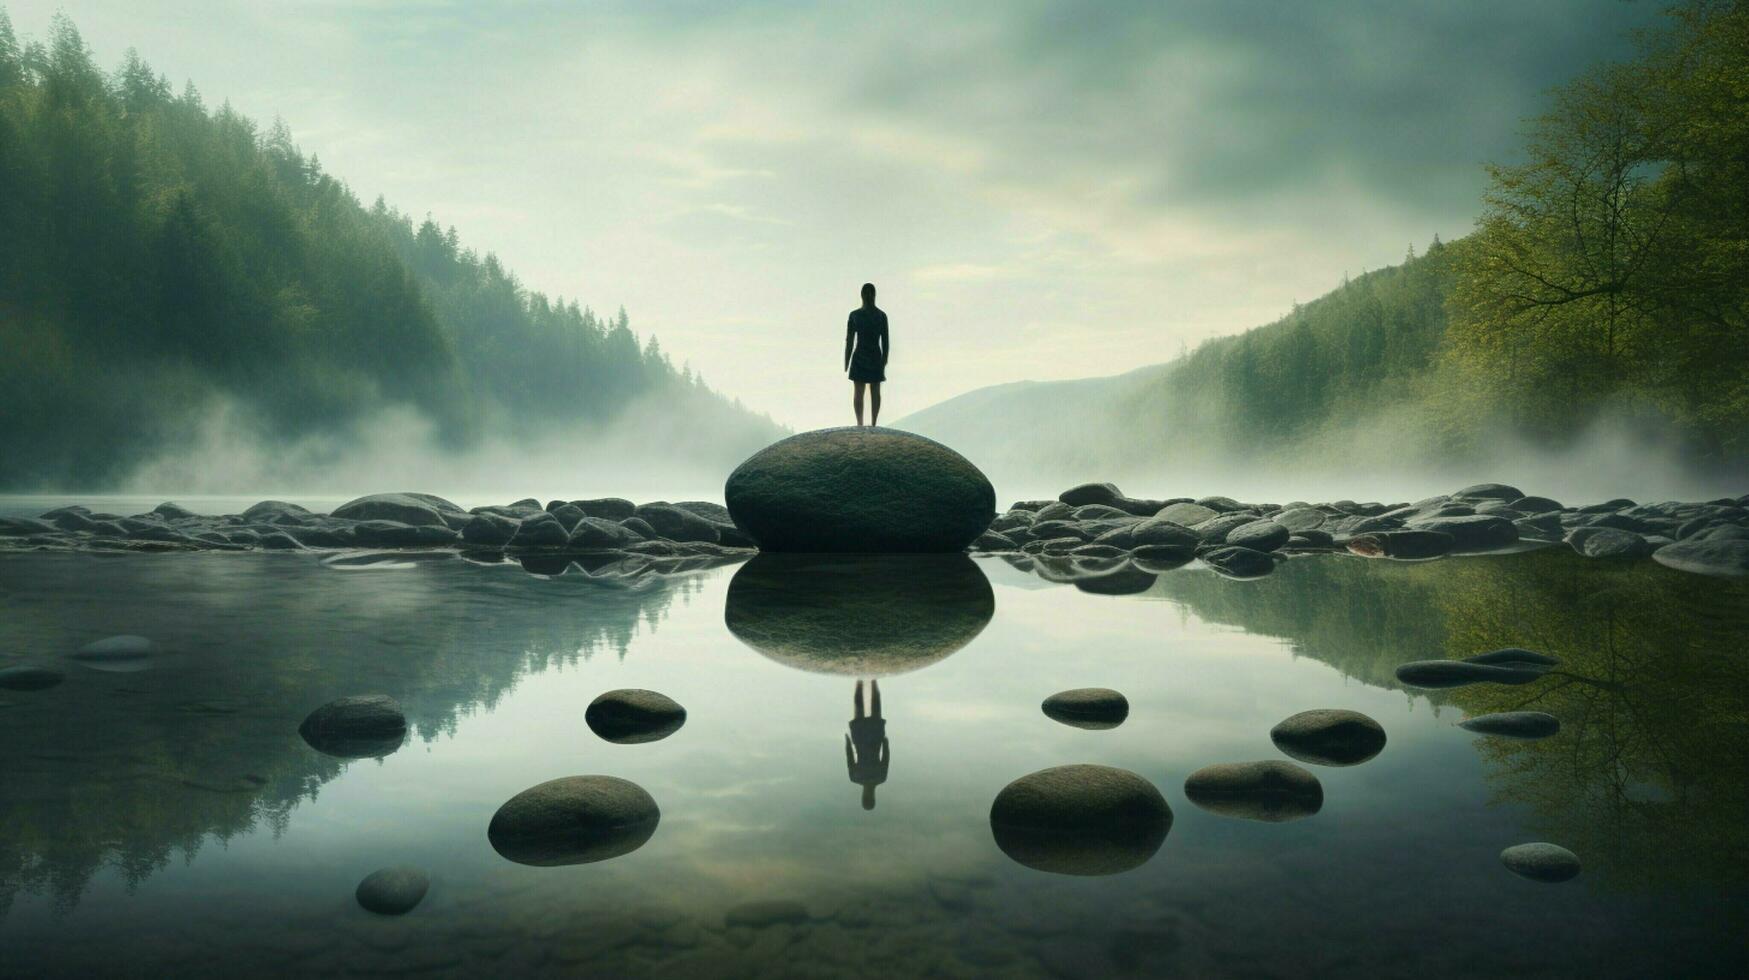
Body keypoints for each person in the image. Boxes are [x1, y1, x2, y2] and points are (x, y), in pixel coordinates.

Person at [844, 282, 889, 426]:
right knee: (861, 390)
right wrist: (846, 361)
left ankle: (871, 423)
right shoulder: (858, 315)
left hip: (873, 356)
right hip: (863, 357)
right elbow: (849, 341)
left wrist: (884, 361)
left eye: (870, 293)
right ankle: (861, 423)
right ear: (863, 295)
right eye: (867, 293)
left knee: (872, 390)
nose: (869, 296)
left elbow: (886, 342)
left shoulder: (880, 316)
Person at [844, 679, 889, 810]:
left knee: (871, 705)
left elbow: (885, 757)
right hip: (865, 739)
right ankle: (863, 680)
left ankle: (869, 679)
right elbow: (850, 757)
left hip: (869, 739)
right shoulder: (856, 778)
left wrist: (885, 742)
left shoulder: (880, 778)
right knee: (862, 706)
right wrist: (847, 742)